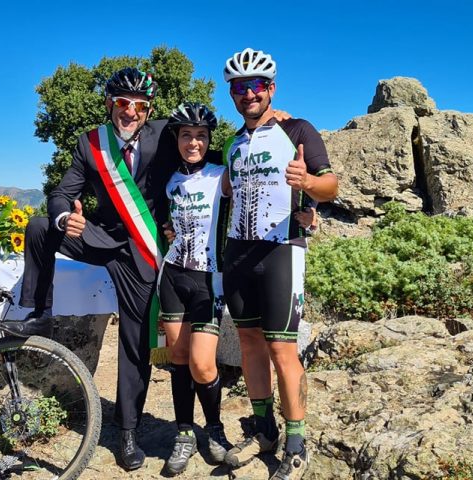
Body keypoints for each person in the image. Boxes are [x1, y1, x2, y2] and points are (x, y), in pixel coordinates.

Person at [5, 67, 177, 471]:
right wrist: (67, 219)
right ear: (109, 104)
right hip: (98, 236)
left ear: (148, 110)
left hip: (141, 247)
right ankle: (39, 314)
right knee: (40, 226)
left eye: (138, 106)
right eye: (122, 103)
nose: (129, 112)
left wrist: (275, 123)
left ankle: (128, 430)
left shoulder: (165, 135)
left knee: (135, 339)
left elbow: (205, 145)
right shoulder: (91, 143)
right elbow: (61, 194)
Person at [219, 48, 338, 480]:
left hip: (281, 251)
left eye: (255, 85)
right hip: (238, 253)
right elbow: (223, 194)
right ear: (231, 93)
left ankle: (296, 441)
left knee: (282, 349)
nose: (247, 93)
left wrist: (307, 183)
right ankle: (264, 428)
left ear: (270, 88)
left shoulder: (298, 129)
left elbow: (331, 186)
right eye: (238, 87)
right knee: (249, 342)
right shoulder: (232, 142)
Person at [158, 102, 233, 475]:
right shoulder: (167, 179)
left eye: (201, 136)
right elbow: (161, 222)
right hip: (172, 277)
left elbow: (257, 170)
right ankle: (184, 433)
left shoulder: (221, 175)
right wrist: (164, 230)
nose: (193, 142)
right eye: (186, 135)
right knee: (179, 359)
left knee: (204, 365)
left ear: (209, 141)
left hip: (208, 280)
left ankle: (215, 430)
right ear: (176, 139)